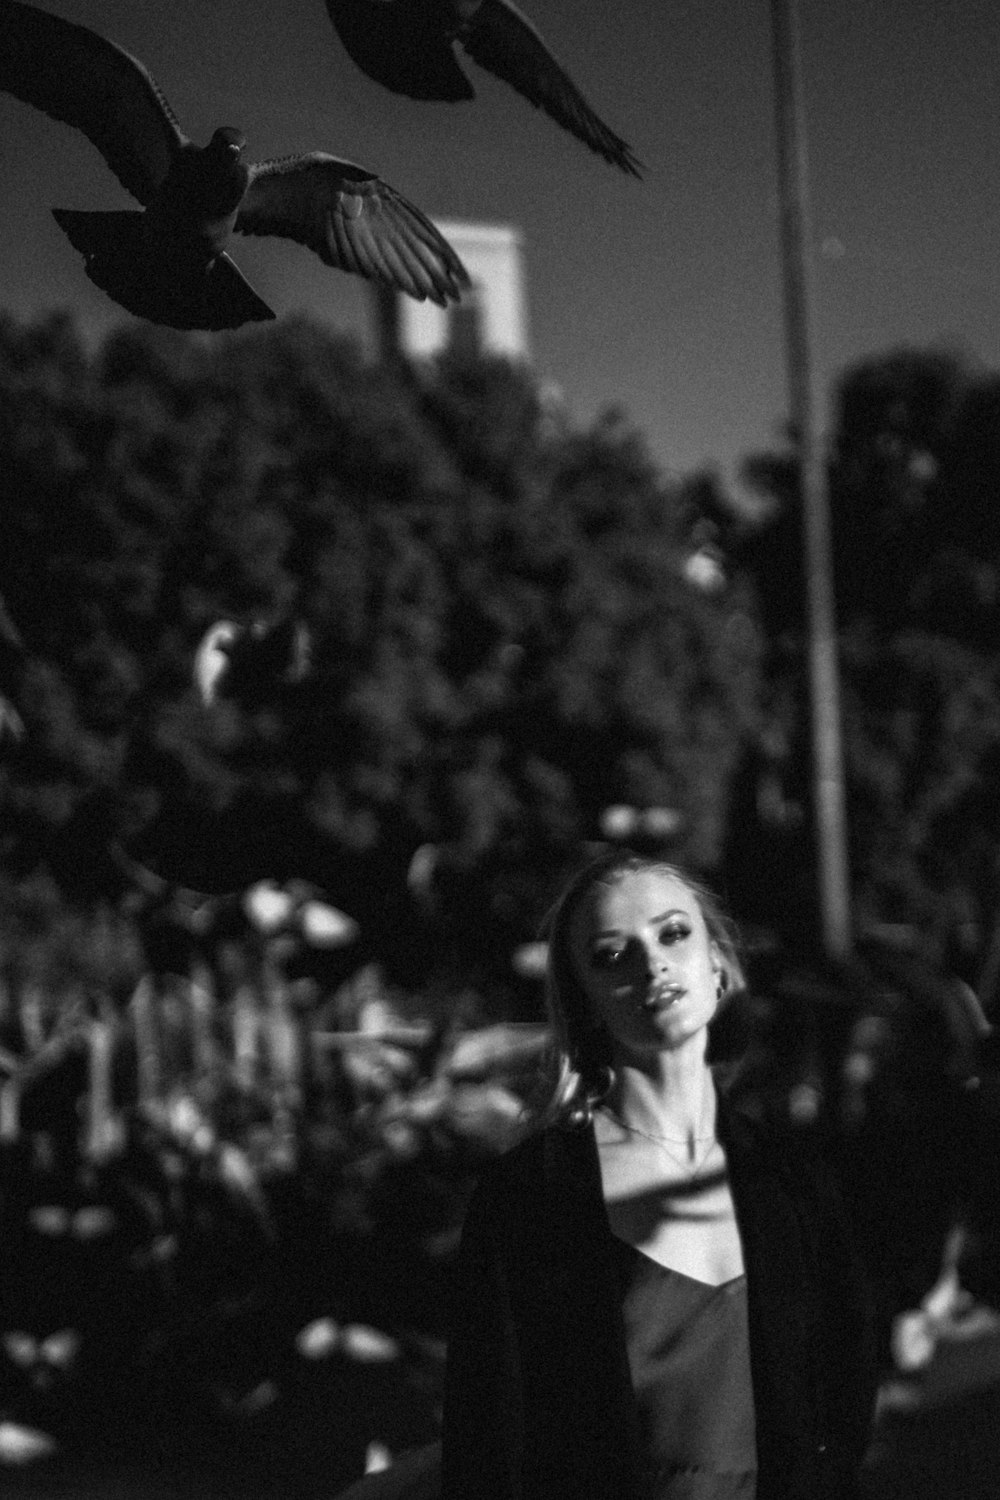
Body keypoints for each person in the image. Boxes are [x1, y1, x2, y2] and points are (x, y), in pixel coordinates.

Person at [440, 849, 878, 1500]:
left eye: (674, 933)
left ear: (720, 966)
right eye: (612, 955)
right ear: (584, 1002)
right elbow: (487, 1449)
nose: (652, 963)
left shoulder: (794, 1181)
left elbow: (843, 1405)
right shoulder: (532, 1196)